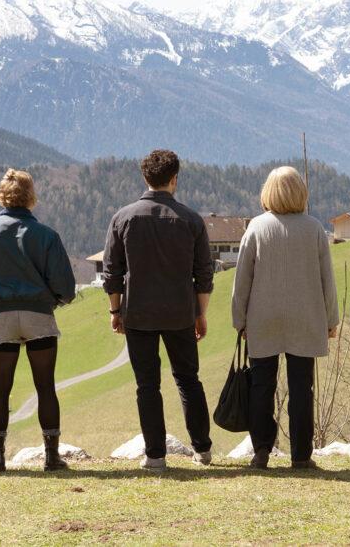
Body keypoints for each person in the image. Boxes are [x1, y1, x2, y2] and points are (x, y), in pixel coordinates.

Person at [103, 149, 214, 471]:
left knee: (147, 385)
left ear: (145, 178)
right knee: (188, 379)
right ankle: (202, 449)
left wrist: (115, 311)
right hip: (180, 312)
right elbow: (203, 275)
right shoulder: (191, 220)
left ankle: (155, 455)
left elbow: (111, 273)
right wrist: (200, 313)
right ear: (174, 179)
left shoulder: (123, 217)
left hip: (138, 313)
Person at [0, 169, 76, 473]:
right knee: (45, 386)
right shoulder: (47, 236)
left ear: (2, 195)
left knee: (0, 388)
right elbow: (66, 287)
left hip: (1, 316)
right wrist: (54, 300)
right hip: (39, 314)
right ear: (30, 197)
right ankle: (51, 456)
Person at [231, 166, 339, 470]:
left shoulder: (256, 227)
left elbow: (243, 280)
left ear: (269, 192)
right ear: (300, 193)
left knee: (261, 386)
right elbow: (326, 280)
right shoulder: (314, 229)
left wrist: (240, 320)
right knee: (302, 388)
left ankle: (262, 450)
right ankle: (301, 455)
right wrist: (331, 318)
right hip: (306, 317)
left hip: (262, 317)